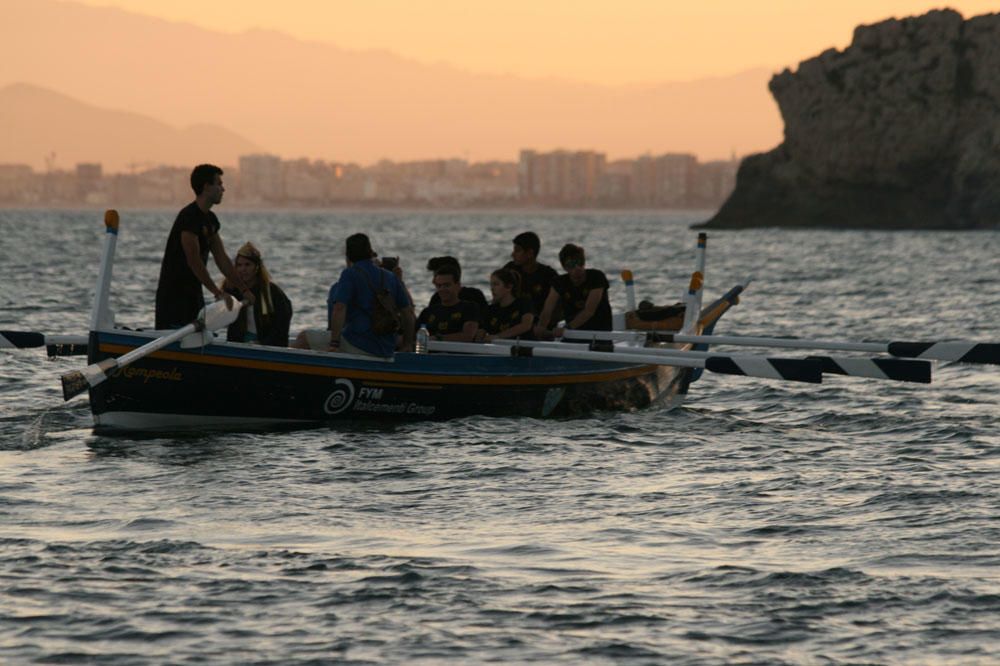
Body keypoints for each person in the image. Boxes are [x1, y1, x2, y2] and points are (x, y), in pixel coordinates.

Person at [155, 164, 253, 329]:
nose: (223, 189)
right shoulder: (189, 217)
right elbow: (193, 260)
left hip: (194, 293)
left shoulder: (211, 220)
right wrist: (217, 292)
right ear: (207, 187)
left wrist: (244, 290)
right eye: (219, 184)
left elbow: (222, 259)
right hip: (173, 296)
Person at [306, 233, 414, 357]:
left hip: (359, 343)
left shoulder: (350, 274)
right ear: (370, 251)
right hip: (386, 347)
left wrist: (334, 344)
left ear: (348, 254)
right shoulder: (390, 276)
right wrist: (407, 344)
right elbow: (408, 313)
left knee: (303, 338)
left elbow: (339, 308)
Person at [221, 242, 292, 347]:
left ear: (257, 267)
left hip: (267, 346)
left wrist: (264, 343)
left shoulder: (272, 292)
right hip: (237, 344)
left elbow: (282, 324)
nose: (243, 269)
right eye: (239, 265)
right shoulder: (232, 291)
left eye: (247, 265)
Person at [535, 243, 612, 338]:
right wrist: (541, 327)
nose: (577, 268)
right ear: (564, 267)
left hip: (599, 333)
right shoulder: (559, 282)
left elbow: (589, 311)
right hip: (573, 335)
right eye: (571, 264)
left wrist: (567, 328)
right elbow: (547, 310)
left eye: (580, 262)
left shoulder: (596, 277)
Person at [417, 264, 480, 342]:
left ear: (458, 285)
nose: (442, 289)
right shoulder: (427, 312)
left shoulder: (469, 308)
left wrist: (438, 338)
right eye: (439, 286)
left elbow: (468, 336)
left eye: (447, 285)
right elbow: (413, 338)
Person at [504, 231, 558, 317]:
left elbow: (557, 307)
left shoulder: (548, 275)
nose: (512, 254)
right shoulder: (510, 270)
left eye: (517, 250)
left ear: (530, 253)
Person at [475, 267, 534, 342]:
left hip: (524, 348)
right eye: (491, 285)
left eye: (496, 284)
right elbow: (482, 331)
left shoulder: (524, 303)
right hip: (499, 351)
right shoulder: (491, 310)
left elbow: (526, 325)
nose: (492, 288)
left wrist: (498, 336)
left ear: (509, 287)